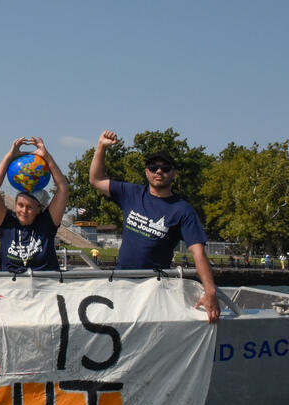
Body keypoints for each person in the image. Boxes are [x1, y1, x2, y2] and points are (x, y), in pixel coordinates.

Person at [89, 130, 219, 322]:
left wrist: (210, 291)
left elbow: (198, 253)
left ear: (173, 173)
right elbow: (96, 179)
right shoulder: (131, 193)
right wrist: (101, 147)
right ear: (146, 171)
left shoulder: (183, 210)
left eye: (165, 168)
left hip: (154, 288)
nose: (159, 171)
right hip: (121, 283)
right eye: (153, 167)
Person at [0, 137, 70, 274]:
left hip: (45, 288)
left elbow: (63, 189)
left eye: (30, 207)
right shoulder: (7, 224)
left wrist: (46, 157)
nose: (24, 210)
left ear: (39, 209)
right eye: (20, 205)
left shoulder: (47, 223)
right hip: (12, 289)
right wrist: (9, 157)